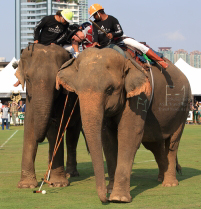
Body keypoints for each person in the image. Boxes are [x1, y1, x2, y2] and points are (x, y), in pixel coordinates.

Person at [88, 3, 168, 69]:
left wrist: (112, 35)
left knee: (139, 46)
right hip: (104, 45)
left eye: (94, 15)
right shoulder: (95, 23)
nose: (94, 17)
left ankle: (160, 61)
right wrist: (95, 42)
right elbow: (95, 35)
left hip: (118, 40)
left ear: (98, 13)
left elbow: (120, 32)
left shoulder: (112, 19)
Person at [14, 9, 74, 87]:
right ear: (61, 16)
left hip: (54, 46)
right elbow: (37, 28)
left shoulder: (66, 25)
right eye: (65, 20)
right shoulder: (48, 19)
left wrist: (56, 42)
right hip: (40, 44)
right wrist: (36, 39)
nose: (66, 22)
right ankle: (20, 78)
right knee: (27, 56)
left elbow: (64, 35)